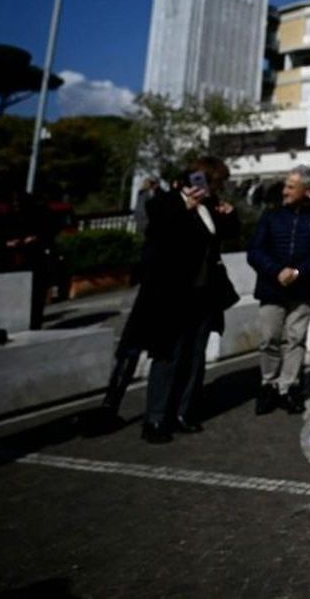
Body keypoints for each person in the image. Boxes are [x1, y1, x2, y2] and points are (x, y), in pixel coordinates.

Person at [89, 157, 240, 441]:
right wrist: (185, 207)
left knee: (195, 357)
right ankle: (155, 418)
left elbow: (229, 233)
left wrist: (229, 214)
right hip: (171, 297)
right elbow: (159, 233)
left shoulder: (211, 207)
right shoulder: (166, 202)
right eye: (215, 182)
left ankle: (184, 412)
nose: (215, 189)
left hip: (204, 295)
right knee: (167, 356)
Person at [246, 165, 310, 415]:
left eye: (290, 186)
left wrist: (298, 272)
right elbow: (255, 250)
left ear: (307, 190)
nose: (285, 191)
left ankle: (289, 387)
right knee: (269, 338)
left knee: (296, 339)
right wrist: (277, 271)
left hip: (303, 289)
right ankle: (269, 384)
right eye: (286, 185)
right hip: (271, 287)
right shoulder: (271, 216)